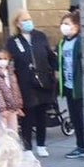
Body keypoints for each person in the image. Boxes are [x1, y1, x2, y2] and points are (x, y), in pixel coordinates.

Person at [8, 9, 57, 156]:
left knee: (42, 114)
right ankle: (28, 147)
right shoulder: (13, 41)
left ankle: (42, 144)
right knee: (27, 116)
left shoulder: (40, 36)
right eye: (24, 20)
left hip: (43, 80)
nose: (27, 22)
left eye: (29, 19)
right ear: (17, 23)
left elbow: (49, 55)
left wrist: (56, 69)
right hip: (25, 82)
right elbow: (8, 59)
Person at [56, 11, 84, 160]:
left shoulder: (80, 42)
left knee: (81, 118)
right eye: (63, 23)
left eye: (67, 23)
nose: (64, 26)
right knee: (74, 118)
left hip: (79, 87)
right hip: (68, 86)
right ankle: (80, 145)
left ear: (76, 26)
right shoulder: (62, 43)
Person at [0, 49, 24, 135]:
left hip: (12, 108)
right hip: (1, 110)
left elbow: (16, 90)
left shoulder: (11, 73)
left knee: (13, 132)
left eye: (5, 58)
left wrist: (18, 106)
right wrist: (2, 108)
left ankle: (13, 148)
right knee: (2, 133)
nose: (2, 61)